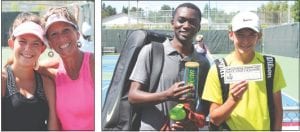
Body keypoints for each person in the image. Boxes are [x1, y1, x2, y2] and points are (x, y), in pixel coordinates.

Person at [128, 3, 210, 130]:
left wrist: (194, 118)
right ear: (173, 23)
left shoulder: (202, 62)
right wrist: (167, 95)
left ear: (199, 27)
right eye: (181, 20)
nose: (186, 26)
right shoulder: (151, 51)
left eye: (192, 22)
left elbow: (205, 102)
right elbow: (133, 96)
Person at [202, 11, 286, 130]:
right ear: (231, 35)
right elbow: (214, 119)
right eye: (240, 34)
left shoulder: (271, 66)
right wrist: (233, 100)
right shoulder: (218, 68)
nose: (246, 40)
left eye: (252, 34)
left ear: (259, 36)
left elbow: (278, 110)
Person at [1, 12, 58, 130]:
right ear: (11, 44)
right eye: (22, 41)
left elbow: (53, 127)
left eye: (35, 43)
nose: (28, 48)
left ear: (42, 49)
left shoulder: (47, 84)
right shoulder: (3, 81)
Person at [40, 7, 95, 130]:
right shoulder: (50, 72)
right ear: (49, 43)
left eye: (66, 30)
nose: (61, 38)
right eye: (54, 34)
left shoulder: (93, 64)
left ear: (77, 33)